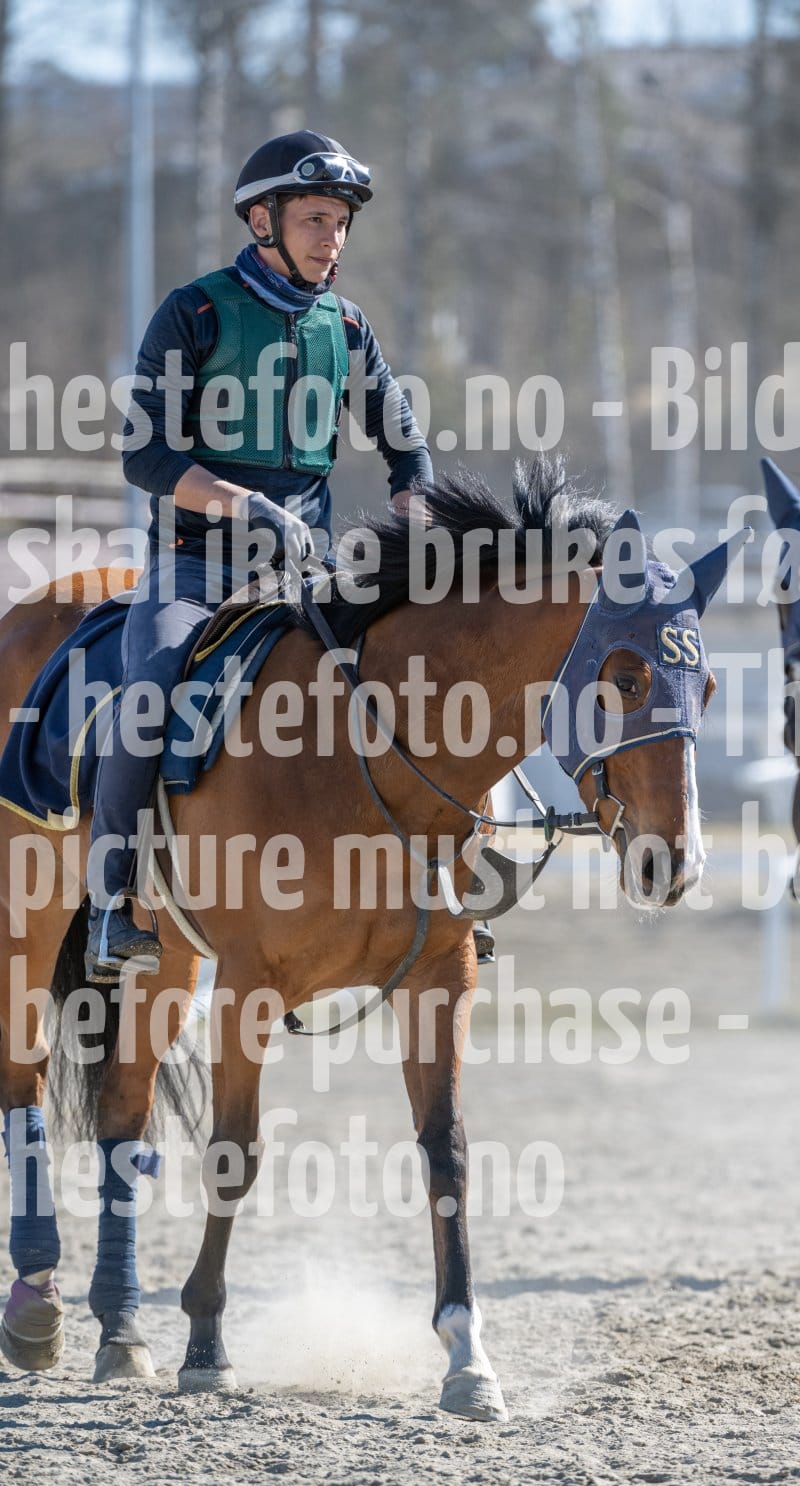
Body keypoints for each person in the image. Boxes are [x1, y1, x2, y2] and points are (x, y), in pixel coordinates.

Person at [85, 129, 433, 979]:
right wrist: (246, 504)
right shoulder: (195, 311)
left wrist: (418, 516)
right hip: (197, 566)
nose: (331, 239)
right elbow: (144, 455)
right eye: (315, 219)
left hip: (307, 573)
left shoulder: (347, 326)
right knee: (149, 690)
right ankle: (109, 902)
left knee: (422, 669)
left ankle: (439, 880)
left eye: (340, 224)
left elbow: (406, 450)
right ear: (262, 220)